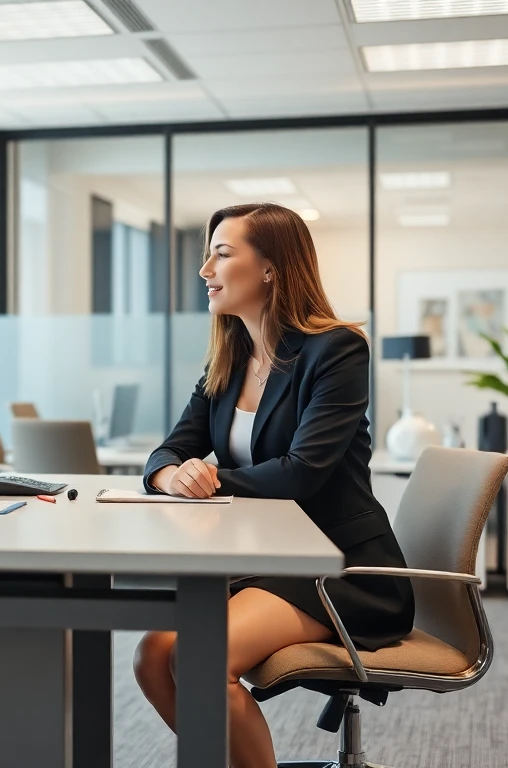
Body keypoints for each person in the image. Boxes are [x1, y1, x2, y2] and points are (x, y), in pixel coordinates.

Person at [135, 203, 414, 768]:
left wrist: (208, 481)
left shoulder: (335, 350)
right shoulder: (230, 357)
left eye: (222, 252)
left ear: (270, 269)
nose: (204, 269)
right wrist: (173, 474)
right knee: (151, 652)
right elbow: (168, 451)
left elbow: (301, 471)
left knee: (197, 655)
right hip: (272, 565)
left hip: (341, 569)